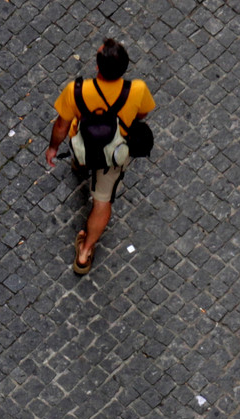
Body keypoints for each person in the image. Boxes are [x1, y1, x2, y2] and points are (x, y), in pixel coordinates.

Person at [44, 38, 155, 274]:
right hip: (112, 154)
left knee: (80, 156)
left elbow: (61, 127)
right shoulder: (137, 89)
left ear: (97, 67)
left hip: (82, 145)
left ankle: (79, 166)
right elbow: (142, 114)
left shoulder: (76, 91)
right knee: (102, 201)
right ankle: (84, 253)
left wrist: (53, 147)